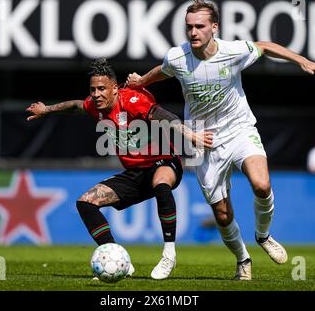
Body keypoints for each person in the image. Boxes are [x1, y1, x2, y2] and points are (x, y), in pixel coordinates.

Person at [126, 0, 315, 280]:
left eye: (200, 26)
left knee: (261, 184)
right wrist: (140, 82)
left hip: (240, 129)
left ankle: (263, 235)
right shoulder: (178, 57)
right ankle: (242, 259)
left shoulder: (233, 51)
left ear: (215, 27)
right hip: (204, 140)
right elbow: (162, 72)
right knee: (222, 214)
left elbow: (265, 46)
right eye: (189, 27)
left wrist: (301, 60)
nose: (193, 32)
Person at [26, 58, 212, 280]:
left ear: (115, 89)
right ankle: (118, 258)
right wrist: (47, 109)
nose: (96, 94)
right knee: (86, 203)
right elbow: (77, 105)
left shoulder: (132, 101)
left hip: (163, 162)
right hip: (134, 174)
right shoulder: (96, 107)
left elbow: (165, 116)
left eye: (102, 89)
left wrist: (191, 135)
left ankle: (169, 254)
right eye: (93, 89)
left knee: (162, 186)